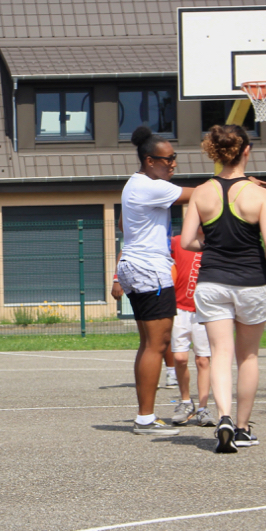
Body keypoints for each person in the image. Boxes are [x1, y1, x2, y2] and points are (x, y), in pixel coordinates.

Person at [179, 124, 266, 453]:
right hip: (252, 282)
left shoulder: (201, 192)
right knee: (248, 356)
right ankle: (241, 428)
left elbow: (187, 241)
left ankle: (223, 416)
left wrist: (214, 246)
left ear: (215, 152)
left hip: (211, 282)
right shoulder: (259, 194)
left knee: (220, 355)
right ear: (246, 151)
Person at [118, 126, 197, 436]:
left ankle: (145, 416)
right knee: (157, 344)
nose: (173, 164)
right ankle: (145, 419)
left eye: (175, 158)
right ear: (150, 161)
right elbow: (202, 194)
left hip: (135, 266)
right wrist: (238, 184)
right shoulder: (152, 186)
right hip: (150, 269)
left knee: (148, 344)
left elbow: (123, 223)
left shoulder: (134, 185)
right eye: (168, 159)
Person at [168, 231, 214, 427]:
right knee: (180, 358)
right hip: (180, 308)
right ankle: (186, 401)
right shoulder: (178, 242)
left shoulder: (215, 242)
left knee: (203, 360)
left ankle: (203, 408)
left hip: (205, 309)